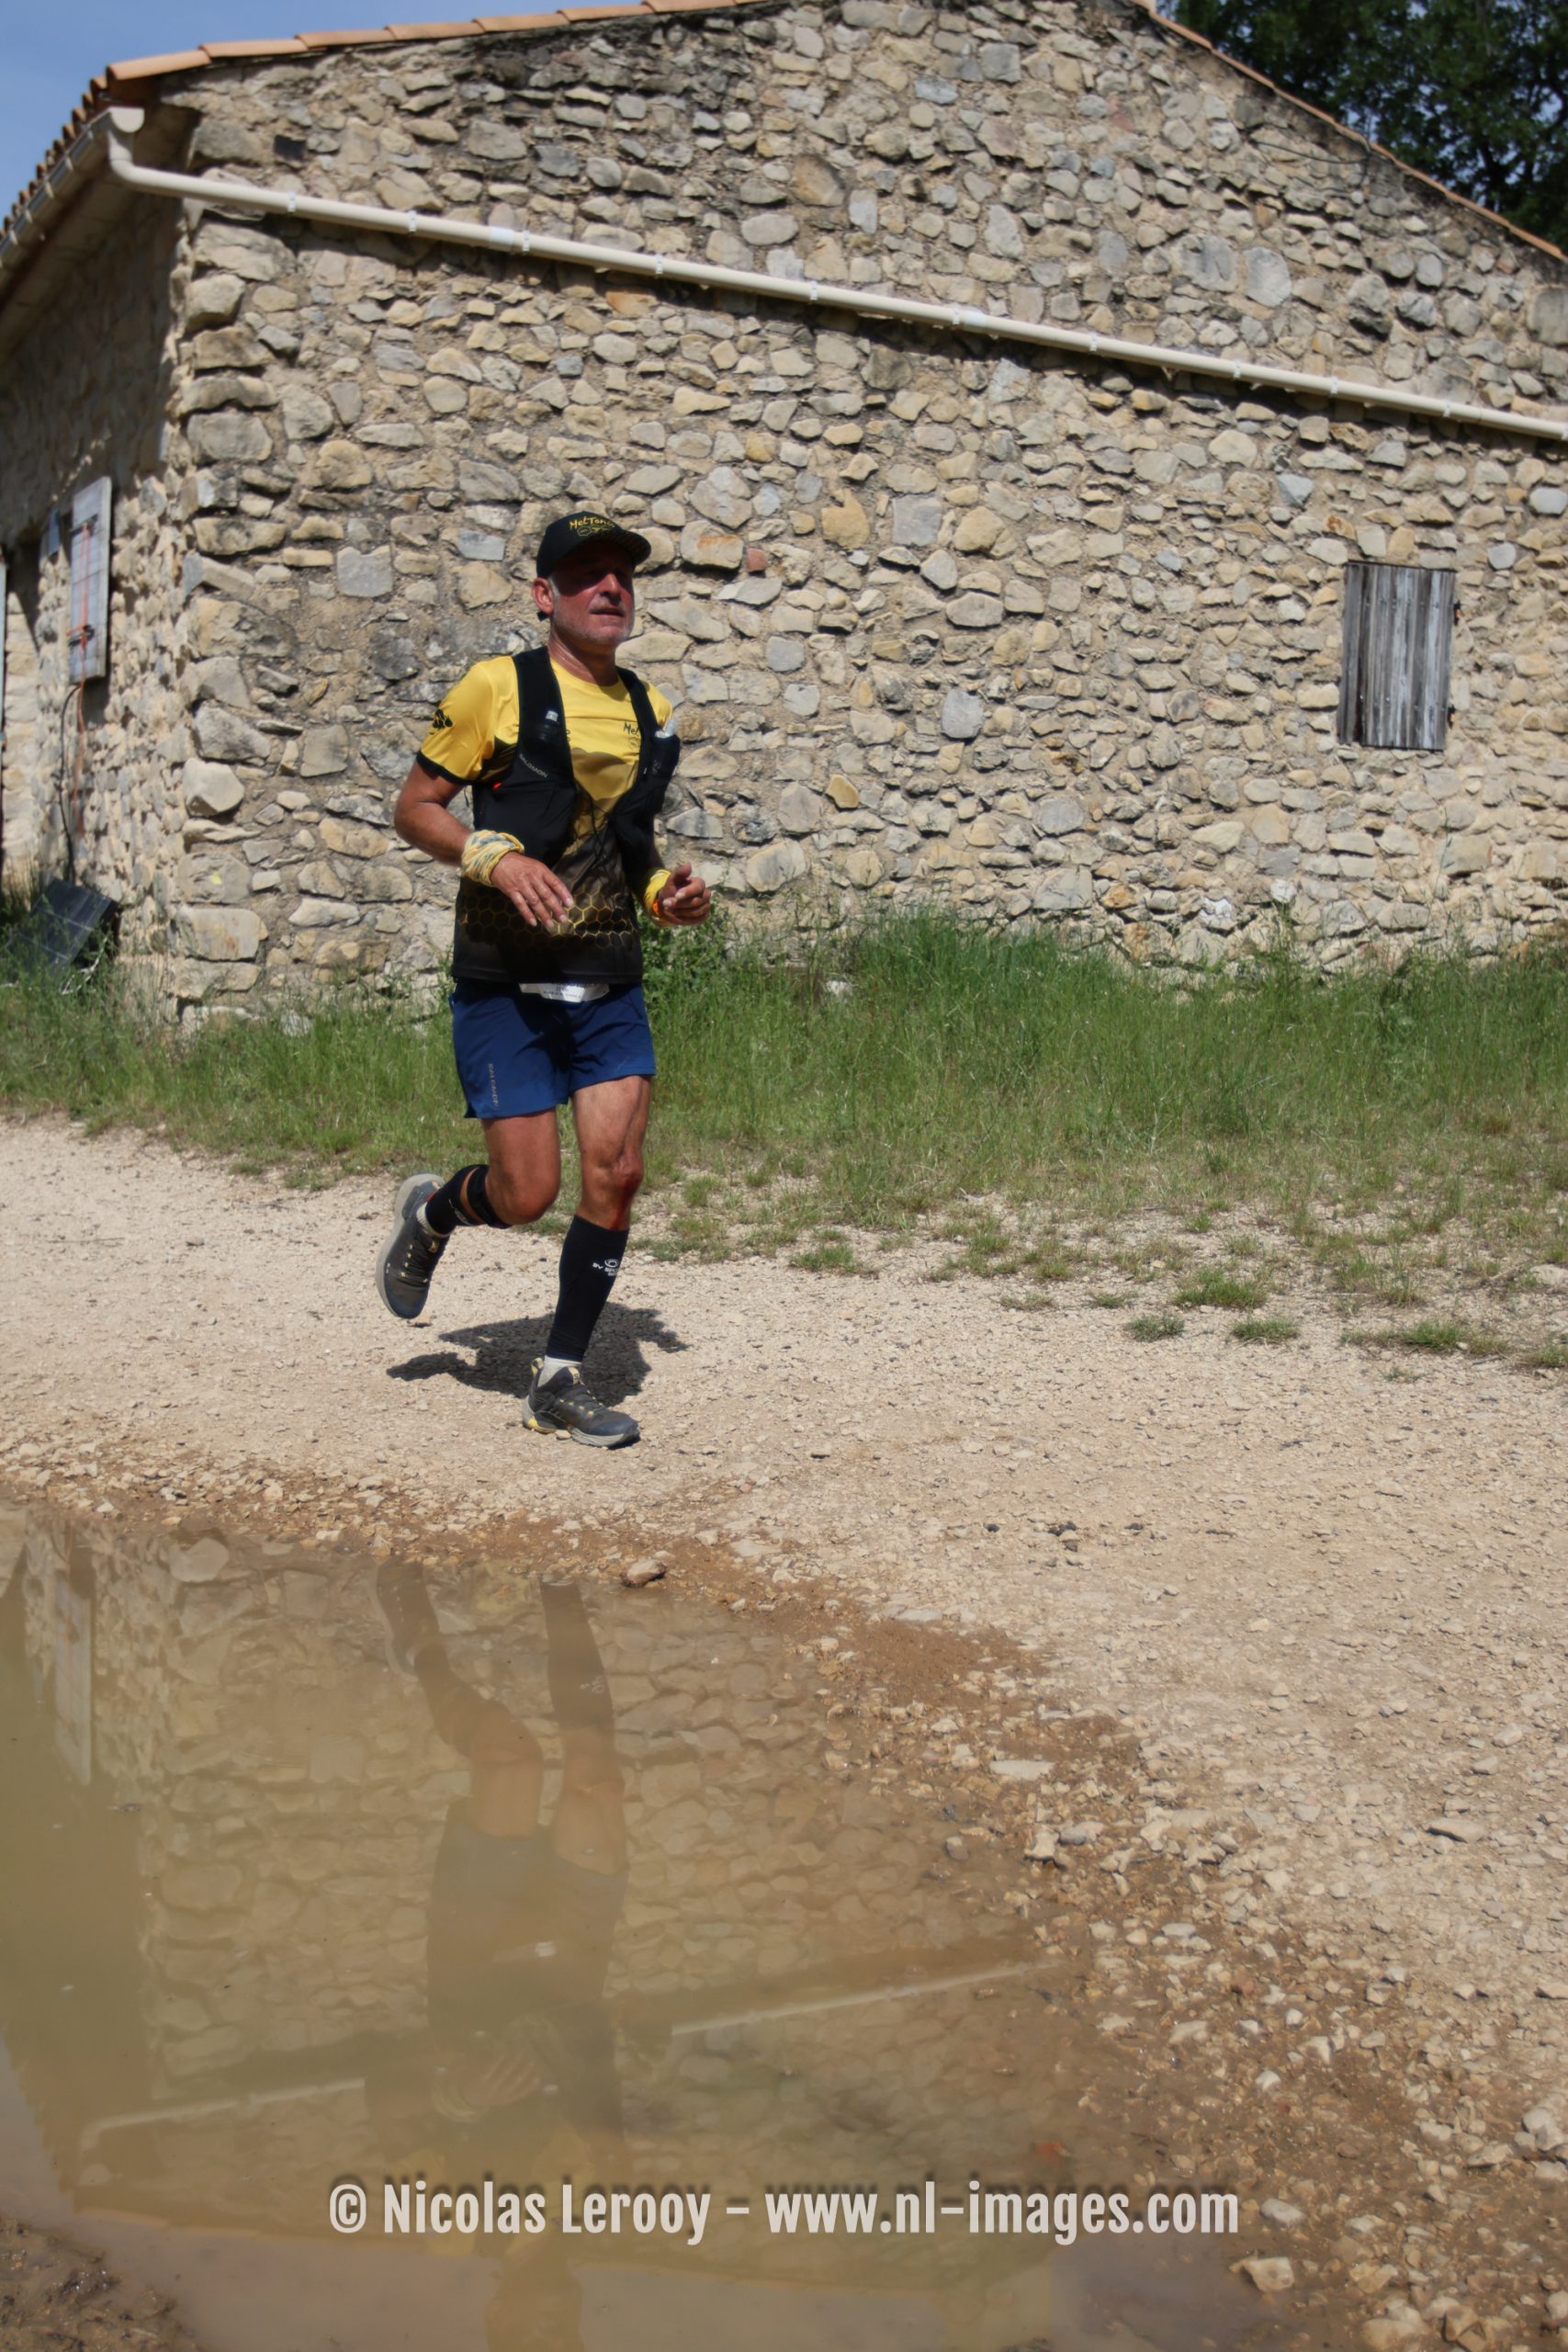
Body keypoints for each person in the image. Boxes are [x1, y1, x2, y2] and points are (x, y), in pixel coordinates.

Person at [376, 510, 711, 1448]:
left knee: (619, 1173)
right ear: (543, 596)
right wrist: (493, 856)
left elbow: (631, 846)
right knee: (525, 1193)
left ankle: (558, 1379)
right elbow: (415, 807)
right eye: (585, 574)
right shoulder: (496, 688)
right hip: (505, 983)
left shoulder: (650, 712)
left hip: (608, 979)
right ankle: (432, 1211)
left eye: (622, 576)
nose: (609, 588)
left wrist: (666, 894)